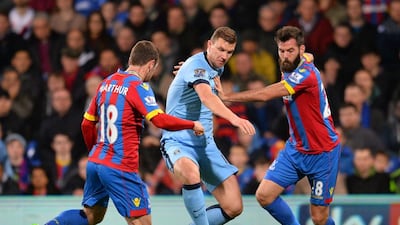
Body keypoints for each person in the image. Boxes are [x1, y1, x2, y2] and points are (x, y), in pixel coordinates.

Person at [44, 40, 205, 225]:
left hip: (96, 161)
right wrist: (192, 124)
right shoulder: (138, 86)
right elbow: (159, 120)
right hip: (120, 165)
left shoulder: (107, 82)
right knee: (141, 221)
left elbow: (87, 124)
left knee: (91, 216)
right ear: (151, 64)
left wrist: (96, 151)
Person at [215, 26, 340, 225]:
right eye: (281, 51)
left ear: (300, 49)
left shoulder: (306, 74)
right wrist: (304, 55)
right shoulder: (295, 62)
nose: (285, 56)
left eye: (290, 51)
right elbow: (309, 56)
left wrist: (228, 97)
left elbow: (264, 95)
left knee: (319, 219)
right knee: (264, 195)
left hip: (322, 153)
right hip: (296, 149)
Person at [161, 26, 256, 225]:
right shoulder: (197, 66)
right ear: (209, 45)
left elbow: (202, 77)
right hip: (178, 140)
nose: (224, 56)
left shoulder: (215, 66)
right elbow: (206, 97)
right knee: (190, 173)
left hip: (205, 144)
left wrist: (186, 69)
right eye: (221, 49)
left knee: (234, 206)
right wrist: (235, 118)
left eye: (229, 52)